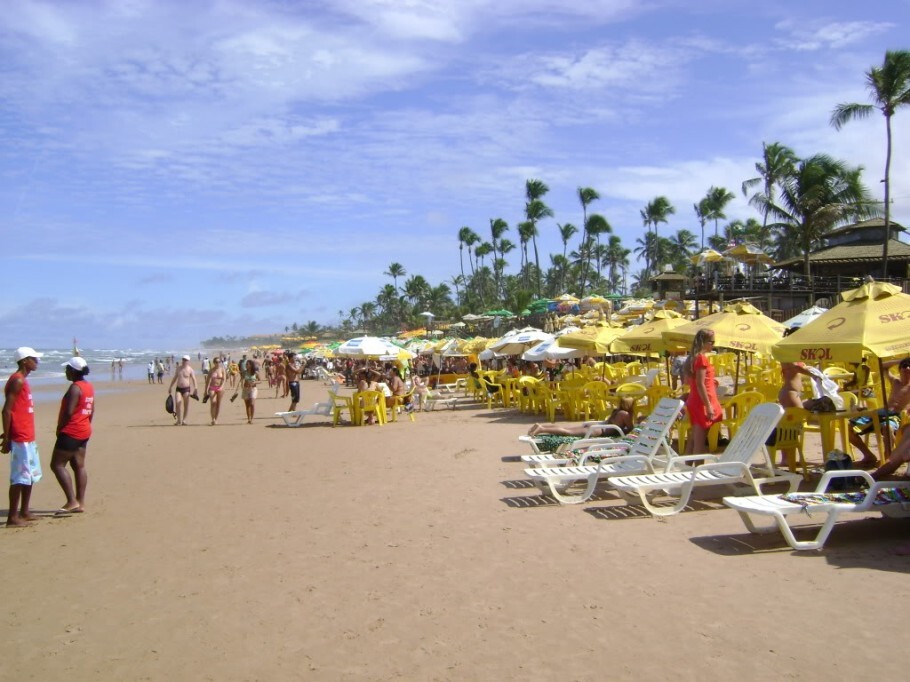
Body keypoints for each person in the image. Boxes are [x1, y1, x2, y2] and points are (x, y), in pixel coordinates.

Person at [2, 347, 43, 526]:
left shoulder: (23, 380)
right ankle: (12, 517)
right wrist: (8, 437)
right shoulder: (17, 380)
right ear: (25, 360)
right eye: (34, 359)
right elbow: (7, 410)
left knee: (29, 475)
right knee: (19, 476)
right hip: (20, 436)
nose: (37, 362)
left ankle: (24, 511)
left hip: (27, 434)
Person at [50, 357, 94, 513]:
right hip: (84, 430)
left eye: (67, 369)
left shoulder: (75, 388)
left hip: (72, 431)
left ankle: (71, 501)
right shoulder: (88, 386)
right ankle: (80, 502)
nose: (65, 372)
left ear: (74, 371)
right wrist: (86, 424)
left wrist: (59, 428)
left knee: (57, 465)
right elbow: (91, 410)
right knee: (78, 465)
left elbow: (68, 412)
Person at [859, 357, 910, 474]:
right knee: (850, 428)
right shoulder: (895, 381)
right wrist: (900, 361)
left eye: (909, 366)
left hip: (897, 415)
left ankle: (889, 458)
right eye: (904, 366)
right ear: (900, 369)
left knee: (888, 427)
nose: (907, 368)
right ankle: (868, 455)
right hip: (882, 412)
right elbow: (883, 366)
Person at [684, 329, 722, 454]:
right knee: (699, 443)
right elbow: (700, 384)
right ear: (704, 342)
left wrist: (711, 381)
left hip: (695, 399)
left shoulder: (692, 358)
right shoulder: (701, 358)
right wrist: (708, 406)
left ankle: (688, 468)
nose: (713, 345)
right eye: (712, 342)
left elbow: (691, 381)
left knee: (693, 439)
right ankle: (697, 471)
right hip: (702, 402)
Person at [528, 396, 636, 437]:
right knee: (567, 432)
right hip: (598, 431)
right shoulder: (625, 414)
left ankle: (541, 427)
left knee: (567, 429)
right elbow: (631, 429)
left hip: (596, 427)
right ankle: (541, 429)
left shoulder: (617, 411)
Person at [167, 355, 198, 426]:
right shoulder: (178, 368)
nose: (184, 361)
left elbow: (194, 379)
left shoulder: (190, 369)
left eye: (186, 360)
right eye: (183, 359)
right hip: (178, 388)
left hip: (186, 389)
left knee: (186, 405)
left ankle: (184, 420)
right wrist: (170, 387)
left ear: (188, 361)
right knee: (178, 403)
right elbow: (175, 378)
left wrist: (195, 388)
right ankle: (179, 420)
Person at [204, 356, 226, 425]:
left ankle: (216, 419)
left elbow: (224, 379)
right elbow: (207, 381)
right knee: (213, 402)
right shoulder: (211, 370)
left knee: (218, 404)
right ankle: (212, 418)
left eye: (219, 362)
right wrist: (205, 390)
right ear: (214, 363)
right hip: (212, 387)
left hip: (220, 388)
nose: (218, 363)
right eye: (216, 362)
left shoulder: (222, 369)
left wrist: (221, 387)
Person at [239, 359, 259, 424]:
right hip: (246, 389)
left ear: (251, 365)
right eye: (246, 364)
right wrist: (242, 386)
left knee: (252, 404)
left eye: (247, 364)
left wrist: (254, 382)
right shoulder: (244, 372)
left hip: (253, 389)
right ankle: (249, 419)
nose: (246, 365)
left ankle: (252, 418)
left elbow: (260, 380)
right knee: (247, 405)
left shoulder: (255, 372)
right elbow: (241, 379)